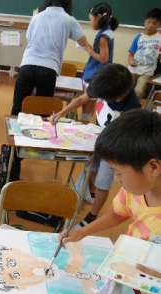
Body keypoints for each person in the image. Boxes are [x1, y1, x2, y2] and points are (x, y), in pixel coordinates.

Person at [64, 109, 161, 294]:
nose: (117, 180)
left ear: (153, 167)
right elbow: (118, 213)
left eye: (119, 172)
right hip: (131, 285)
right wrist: (82, 232)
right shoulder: (136, 190)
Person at [52, 64, 141, 227]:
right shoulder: (103, 84)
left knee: (103, 182)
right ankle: (90, 193)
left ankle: (93, 214)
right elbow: (81, 99)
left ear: (122, 94)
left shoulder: (132, 108)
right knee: (91, 168)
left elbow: (128, 138)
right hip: (97, 137)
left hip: (114, 148)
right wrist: (61, 113)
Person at [11, 0, 90, 116]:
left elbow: (29, 38)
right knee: (43, 109)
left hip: (27, 64)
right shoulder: (69, 20)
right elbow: (83, 42)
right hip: (48, 68)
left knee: (19, 104)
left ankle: (14, 125)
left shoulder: (37, 17)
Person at [82, 2, 119, 120]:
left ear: (98, 18)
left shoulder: (103, 36)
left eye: (91, 20)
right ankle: (85, 121)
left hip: (95, 74)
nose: (90, 23)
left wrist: (88, 48)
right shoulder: (107, 32)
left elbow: (103, 59)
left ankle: (84, 122)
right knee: (90, 102)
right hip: (97, 72)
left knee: (88, 103)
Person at [128, 8, 161, 99]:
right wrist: (131, 61)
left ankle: (134, 106)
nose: (150, 25)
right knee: (125, 88)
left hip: (147, 71)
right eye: (148, 22)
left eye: (154, 23)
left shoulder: (159, 38)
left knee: (138, 91)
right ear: (144, 22)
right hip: (133, 69)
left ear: (159, 24)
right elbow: (131, 54)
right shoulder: (139, 37)